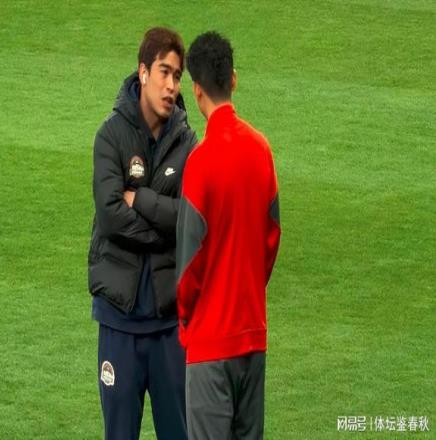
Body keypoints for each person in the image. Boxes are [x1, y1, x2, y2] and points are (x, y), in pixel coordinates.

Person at [88, 27, 197, 440]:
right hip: (120, 322)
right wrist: (164, 233)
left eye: (178, 76)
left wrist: (143, 201)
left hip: (169, 326)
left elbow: (189, 218)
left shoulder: (188, 144)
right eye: (164, 72)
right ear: (143, 72)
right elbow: (111, 216)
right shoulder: (110, 136)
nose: (171, 86)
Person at [176, 31, 281, 440]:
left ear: (196, 89)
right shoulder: (262, 150)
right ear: (233, 79)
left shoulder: (200, 162)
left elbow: (189, 265)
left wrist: (188, 321)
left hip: (210, 345)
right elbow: (271, 238)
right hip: (252, 339)